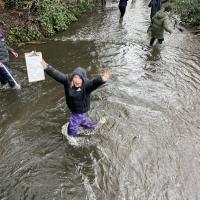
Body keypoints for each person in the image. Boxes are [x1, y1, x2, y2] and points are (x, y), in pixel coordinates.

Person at [41, 59, 111, 137]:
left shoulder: (87, 85)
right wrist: (46, 67)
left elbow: (94, 83)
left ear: (83, 79)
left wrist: (102, 79)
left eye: (80, 78)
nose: (77, 80)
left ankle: (73, 140)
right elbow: (56, 74)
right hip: (73, 109)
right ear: (72, 77)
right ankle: (93, 127)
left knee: (72, 128)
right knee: (82, 121)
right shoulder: (67, 80)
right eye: (75, 77)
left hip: (80, 111)